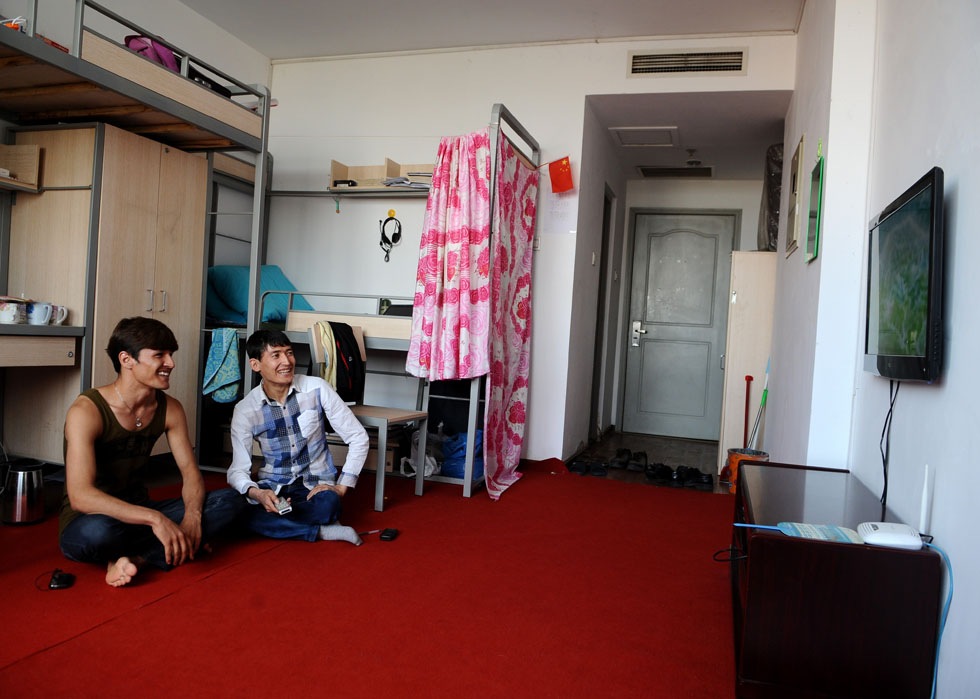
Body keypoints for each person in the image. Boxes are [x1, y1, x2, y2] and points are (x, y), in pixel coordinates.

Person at [60, 317, 245, 587]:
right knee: (98, 533)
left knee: (231, 501)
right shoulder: (86, 411)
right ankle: (175, 544)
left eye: (171, 354)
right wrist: (155, 519)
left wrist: (192, 518)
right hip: (92, 519)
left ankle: (137, 560)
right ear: (127, 360)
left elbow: (191, 475)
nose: (170, 363)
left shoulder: (170, 408)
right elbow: (81, 496)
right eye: (159, 355)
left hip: (140, 510)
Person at [227, 329, 369, 545]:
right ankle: (321, 531)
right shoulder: (246, 410)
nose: (287, 361)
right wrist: (258, 494)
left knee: (328, 504)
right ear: (255, 365)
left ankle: (286, 522)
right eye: (276, 355)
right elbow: (238, 470)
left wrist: (341, 487)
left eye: (289, 353)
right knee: (234, 508)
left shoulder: (317, 388)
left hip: (315, 486)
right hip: (274, 487)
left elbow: (358, 437)